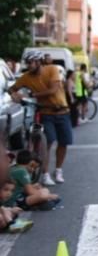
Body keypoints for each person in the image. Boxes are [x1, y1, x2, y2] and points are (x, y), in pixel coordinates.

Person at [10, 52, 73, 185]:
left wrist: (33, 94)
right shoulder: (26, 77)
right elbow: (11, 88)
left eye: (31, 62)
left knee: (64, 143)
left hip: (62, 111)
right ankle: (45, 174)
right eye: (27, 62)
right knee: (47, 142)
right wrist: (14, 95)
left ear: (39, 62)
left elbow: (53, 89)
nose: (29, 65)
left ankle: (58, 170)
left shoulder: (52, 69)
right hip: (46, 112)